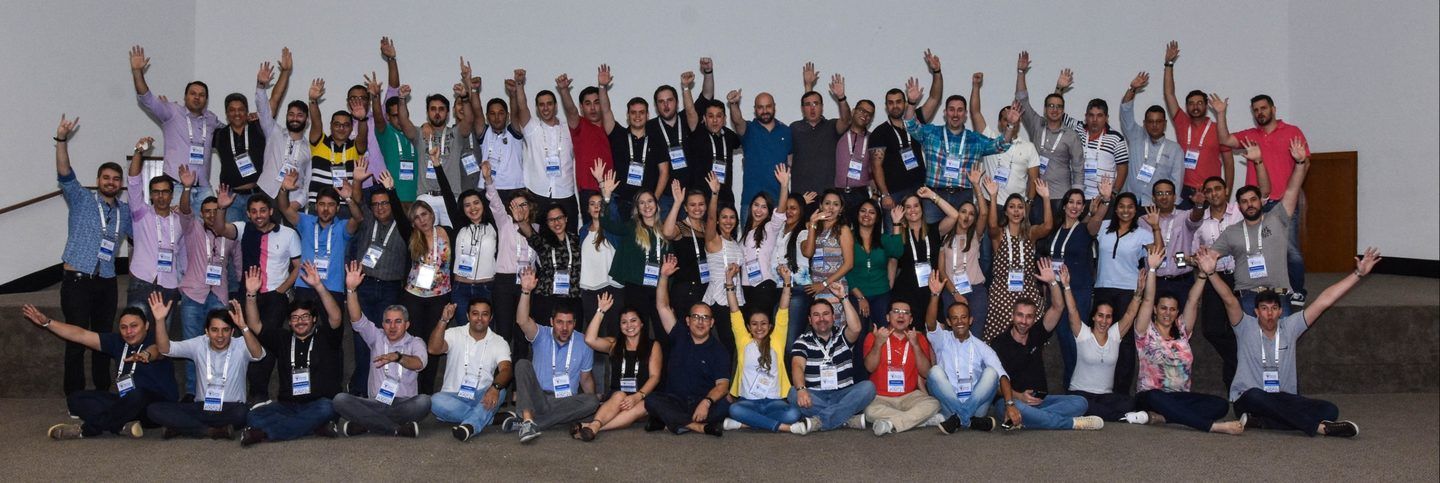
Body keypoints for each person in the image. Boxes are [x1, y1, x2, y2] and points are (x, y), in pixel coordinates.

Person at [1211, 248, 1380, 437]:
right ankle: (1318, 427)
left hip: (1283, 398)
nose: (1269, 313)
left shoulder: (1290, 327)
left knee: (1329, 410)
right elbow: (1229, 300)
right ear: (1256, 312)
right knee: (1255, 395)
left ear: (1280, 312)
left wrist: (1358, 274)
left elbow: (1324, 301)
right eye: (1264, 309)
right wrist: (1211, 272)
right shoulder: (1245, 327)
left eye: (1274, 308)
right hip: (1250, 399)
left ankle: (1261, 422)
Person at [1123, 248, 1247, 435]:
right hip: (1150, 396)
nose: (1167, 313)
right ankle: (1213, 427)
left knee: (1220, 405)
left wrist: (1203, 274)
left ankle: (1162, 417)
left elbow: (1192, 300)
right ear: (1156, 310)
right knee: (1157, 399)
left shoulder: (1182, 330)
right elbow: (1148, 299)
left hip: (1180, 397)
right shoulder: (1145, 330)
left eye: (1172, 310)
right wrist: (1152, 270)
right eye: (1163, 308)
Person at [52, 115, 131, 399]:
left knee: (103, 339)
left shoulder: (125, 212)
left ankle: (101, 391)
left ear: (121, 184)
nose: (111, 182)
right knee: (74, 339)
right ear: (98, 181)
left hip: (107, 282)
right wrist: (61, 139)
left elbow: (143, 238)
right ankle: (74, 396)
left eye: (116, 179)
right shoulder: (81, 199)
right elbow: (64, 172)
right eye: (106, 178)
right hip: (77, 280)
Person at [1211, 93, 1310, 308]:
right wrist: (1220, 114)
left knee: (1290, 249)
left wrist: (1295, 184)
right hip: (1256, 203)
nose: (1260, 113)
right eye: (1255, 110)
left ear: (1273, 109)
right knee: (1254, 247)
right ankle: (1259, 288)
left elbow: (1305, 162)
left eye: (1263, 108)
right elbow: (1225, 140)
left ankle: (1296, 291)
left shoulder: (1292, 132)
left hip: (1284, 203)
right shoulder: (1250, 135)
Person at [24, 304, 175, 440]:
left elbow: (158, 351)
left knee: (138, 395)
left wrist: (146, 355)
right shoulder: (117, 342)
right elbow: (80, 335)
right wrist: (47, 322)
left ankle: (86, 430)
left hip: (155, 408)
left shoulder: (156, 341)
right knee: (76, 398)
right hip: (127, 402)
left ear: (146, 325)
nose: (129, 332)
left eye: (134, 326)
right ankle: (120, 425)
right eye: (124, 327)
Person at [211, 189, 301, 402]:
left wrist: (282, 290)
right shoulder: (243, 229)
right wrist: (222, 207)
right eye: (254, 211)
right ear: (248, 214)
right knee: (246, 343)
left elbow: (297, 267)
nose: (258, 215)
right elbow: (219, 228)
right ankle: (246, 393)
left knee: (267, 343)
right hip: (247, 296)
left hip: (274, 298)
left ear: (271, 211)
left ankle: (258, 394)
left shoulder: (288, 234)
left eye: (263, 210)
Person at [240, 264, 346, 446]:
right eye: (295, 318)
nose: (300, 322)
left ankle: (265, 433)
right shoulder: (283, 338)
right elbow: (255, 325)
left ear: (314, 319)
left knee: (328, 408)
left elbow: (336, 317)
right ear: (289, 322)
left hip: (319, 403)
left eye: (305, 317)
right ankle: (314, 427)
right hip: (287, 406)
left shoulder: (325, 336)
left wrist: (319, 286)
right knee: (253, 415)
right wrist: (251, 295)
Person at [991, 263, 1103, 431]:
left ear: (1034, 318)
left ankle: (1028, 420)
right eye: (1020, 315)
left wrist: (1052, 282)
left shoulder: (1037, 332)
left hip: (1043, 401)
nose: (1024, 321)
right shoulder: (999, 343)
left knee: (1080, 402)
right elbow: (995, 385)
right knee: (1008, 407)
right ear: (1013, 316)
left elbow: (1058, 306)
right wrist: (1018, 396)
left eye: (1029, 317)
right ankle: (1070, 423)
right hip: (1013, 401)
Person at [902, 76, 1021, 224]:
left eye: (960, 110)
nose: (955, 114)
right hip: (933, 195)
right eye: (951, 110)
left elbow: (1001, 145)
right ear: (945, 112)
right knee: (932, 238)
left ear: (965, 114)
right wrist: (912, 103)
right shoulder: (931, 133)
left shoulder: (975, 139)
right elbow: (910, 125)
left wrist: (1010, 125)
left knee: (961, 240)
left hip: (963, 197)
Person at [334, 262, 431, 438]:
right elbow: (357, 319)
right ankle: (396, 429)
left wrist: (398, 357)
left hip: (404, 404)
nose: (392, 326)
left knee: (424, 402)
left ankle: (368, 424)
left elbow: (419, 363)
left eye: (398, 321)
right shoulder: (376, 336)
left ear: (407, 324)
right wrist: (351, 289)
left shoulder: (416, 342)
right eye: (388, 321)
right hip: (376, 402)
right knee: (340, 400)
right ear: (382, 324)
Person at [147, 294, 265, 439]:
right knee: (154, 409)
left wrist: (244, 327)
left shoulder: (240, 344)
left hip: (231, 408)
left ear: (232, 332)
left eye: (225, 330)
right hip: (202, 407)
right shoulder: (199, 344)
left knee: (242, 413)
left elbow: (259, 354)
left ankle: (183, 427)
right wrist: (159, 320)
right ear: (206, 332)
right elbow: (165, 349)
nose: (220, 335)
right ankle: (211, 431)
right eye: (214, 330)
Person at [503, 269, 601, 442]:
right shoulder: (541, 334)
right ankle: (529, 417)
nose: (564, 328)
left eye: (569, 323)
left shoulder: (584, 342)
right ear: (551, 322)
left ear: (575, 324)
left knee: (592, 401)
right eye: (560, 322)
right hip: (539, 396)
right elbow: (522, 320)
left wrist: (590, 410)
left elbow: (586, 380)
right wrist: (526, 291)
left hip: (565, 401)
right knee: (522, 364)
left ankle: (528, 421)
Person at [399, 147, 464, 393]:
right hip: (413, 297)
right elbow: (398, 215)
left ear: (432, 214)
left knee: (433, 342)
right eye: (416, 217)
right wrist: (392, 192)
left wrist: (437, 166)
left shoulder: (449, 231)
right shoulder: (412, 237)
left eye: (424, 214)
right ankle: (410, 390)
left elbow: (450, 199)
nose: (422, 220)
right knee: (414, 342)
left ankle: (426, 392)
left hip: (440, 297)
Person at [1086, 176, 1159, 393]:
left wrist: (1156, 228)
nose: (1125, 210)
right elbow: (1089, 230)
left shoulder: (1142, 233)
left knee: (1125, 343)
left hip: (1128, 292)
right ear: (1116, 209)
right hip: (1102, 289)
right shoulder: (1105, 226)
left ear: (1135, 211)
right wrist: (1104, 201)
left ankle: (1120, 393)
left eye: (1130, 207)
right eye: (1121, 206)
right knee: (1099, 339)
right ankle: (1096, 388)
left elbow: (1157, 253)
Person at [647, 256, 733, 436]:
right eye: (696, 317)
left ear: (712, 323)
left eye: (705, 318)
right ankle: (697, 426)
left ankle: (674, 422)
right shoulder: (679, 334)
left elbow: (722, 385)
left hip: (702, 401)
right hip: (675, 400)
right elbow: (662, 306)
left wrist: (707, 402)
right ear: (687, 320)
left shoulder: (719, 351)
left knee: (726, 403)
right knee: (652, 400)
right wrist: (663, 277)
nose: (700, 322)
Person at [721, 265, 808, 435]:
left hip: (774, 402)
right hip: (748, 401)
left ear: (770, 326)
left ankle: (747, 423)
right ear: (748, 327)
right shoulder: (744, 341)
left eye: (763, 324)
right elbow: (735, 311)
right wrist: (729, 282)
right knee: (735, 410)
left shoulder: (776, 340)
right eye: (754, 324)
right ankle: (782, 427)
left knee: (794, 413)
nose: (759, 328)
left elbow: (783, 310)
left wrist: (787, 282)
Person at [129, 45, 218, 208]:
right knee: (175, 231)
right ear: (185, 97)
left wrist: (250, 118)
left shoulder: (211, 119)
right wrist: (137, 72)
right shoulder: (172, 112)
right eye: (193, 94)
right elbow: (147, 99)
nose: (197, 98)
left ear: (206, 99)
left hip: (204, 187)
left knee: (209, 230)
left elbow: (233, 130)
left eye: (202, 95)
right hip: (177, 185)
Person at [349, 170, 411, 396]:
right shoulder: (366, 220)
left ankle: (382, 389)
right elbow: (356, 203)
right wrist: (357, 181)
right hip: (364, 286)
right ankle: (358, 390)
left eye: (384, 203)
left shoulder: (404, 225)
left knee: (386, 340)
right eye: (375, 204)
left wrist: (392, 189)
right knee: (361, 341)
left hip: (390, 289)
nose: (380, 208)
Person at [920, 275, 1006, 433]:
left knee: (992, 373)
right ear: (948, 322)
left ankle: (960, 418)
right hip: (948, 403)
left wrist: (1011, 404)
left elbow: (1002, 376)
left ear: (971, 320)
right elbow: (930, 324)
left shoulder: (982, 347)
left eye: (964, 317)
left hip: (977, 407)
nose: (960, 321)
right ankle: (970, 421)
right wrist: (935, 295)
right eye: (955, 318)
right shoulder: (942, 340)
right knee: (934, 372)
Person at [788, 280, 876, 432]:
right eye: (816, 315)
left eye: (826, 314)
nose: (821, 318)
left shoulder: (842, 335)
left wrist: (844, 298)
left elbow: (856, 328)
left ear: (833, 317)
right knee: (793, 393)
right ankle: (845, 419)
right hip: (816, 395)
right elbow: (797, 366)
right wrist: (802, 389)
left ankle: (822, 420)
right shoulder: (803, 341)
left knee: (868, 388)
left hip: (844, 394)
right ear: (810, 320)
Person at [174, 193, 239, 400]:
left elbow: (238, 266)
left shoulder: (231, 235)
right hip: (193, 294)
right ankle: (193, 391)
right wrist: (186, 187)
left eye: (215, 210)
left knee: (219, 345)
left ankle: (218, 388)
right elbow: (184, 209)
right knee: (193, 345)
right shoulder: (192, 228)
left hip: (219, 296)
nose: (211, 215)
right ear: (201, 214)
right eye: (207, 211)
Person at [1059, 261, 1141, 421]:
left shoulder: (1115, 335)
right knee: (1080, 405)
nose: (1104, 320)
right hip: (1080, 394)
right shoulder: (1083, 333)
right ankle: (1120, 417)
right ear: (1094, 317)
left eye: (1108, 316)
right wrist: (1066, 286)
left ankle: (1105, 415)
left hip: (1105, 397)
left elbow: (1130, 314)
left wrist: (1139, 292)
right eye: (1100, 315)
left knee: (1130, 402)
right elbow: (1073, 310)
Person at [575, 292, 662, 441]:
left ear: (641, 323)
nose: (629, 326)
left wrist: (637, 396)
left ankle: (592, 426)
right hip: (616, 399)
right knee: (619, 395)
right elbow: (589, 339)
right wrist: (600, 311)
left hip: (641, 397)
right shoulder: (614, 345)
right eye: (624, 322)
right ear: (620, 326)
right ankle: (593, 427)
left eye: (633, 320)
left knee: (643, 406)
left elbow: (655, 377)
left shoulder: (653, 346)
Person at [1014, 51, 1085, 224]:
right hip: (1037, 195)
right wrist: (1021, 73)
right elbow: (1022, 101)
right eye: (1050, 106)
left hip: (1061, 197)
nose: (1054, 110)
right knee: (1038, 239)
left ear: (1063, 111)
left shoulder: (1071, 136)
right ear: (1045, 109)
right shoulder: (1037, 125)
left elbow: (1078, 168)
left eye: (1058, 107)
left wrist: (1075, 198)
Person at [1188, 175, 1244, 389]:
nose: (1213, 193)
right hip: (1214, 278)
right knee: (1211, 329)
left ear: (1226, 190)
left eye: (1217, 189)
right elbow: (1193, 255)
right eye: (1209, 190)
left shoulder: (1239, 212)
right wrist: (1195, 259)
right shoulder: (1200, 220)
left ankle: (1233, 381)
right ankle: (1240, 361)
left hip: (1239, 277)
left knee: (1237, 329)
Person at [980, 177, 1053, 341]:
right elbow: (991, 226)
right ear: (1005, 211)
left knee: (1035, 319)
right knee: (1006, 317)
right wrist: (993, 197)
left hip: (1027, 288)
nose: (1016, 211)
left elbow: (1048, 226)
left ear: (1025, 211)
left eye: (1020, 207)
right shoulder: (999, 234)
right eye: (1012, 207)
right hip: (1002, 289)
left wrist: (1046, 198)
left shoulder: (1030, 233)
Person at [429, 299, 513, 442]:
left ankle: (470, 426)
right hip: (452, 396)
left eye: (485, 314)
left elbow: (506, 369)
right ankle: (488, 418)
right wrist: (444, 320)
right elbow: (433, 349)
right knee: (435, 401)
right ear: (468, 316)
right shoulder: (454, 333)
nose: (479, 318)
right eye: (475, 314)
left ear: (491, 318)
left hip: (483, 395)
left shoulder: (499, 341)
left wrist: (495, 387)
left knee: (501, 391)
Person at [598, 166, 667, 339]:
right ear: (637, 208)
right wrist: (606, 197)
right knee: (637, 332)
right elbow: (607, 224)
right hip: (636, 288)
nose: (646, 205)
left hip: (659, 287)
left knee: (662, 331)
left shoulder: (666, 230)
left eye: (650, 201)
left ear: (656, 204)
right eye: (642, 203)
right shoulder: (631, 227)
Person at [124, 137, 185, 327]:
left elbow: (183, 255)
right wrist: (138, 152)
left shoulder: (181, 221)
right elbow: (133, 182)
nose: (161, 196)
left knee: (162, 338)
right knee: (134, 333)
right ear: (150, 194)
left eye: (165, 191)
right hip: (142, 281)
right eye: (156, 192)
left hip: (169, 286)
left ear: (171, 194)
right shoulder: (141, 214)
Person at [1161, 41, 1232, 203]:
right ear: (1186, 107)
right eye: (1191, 103)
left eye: (1200, 103)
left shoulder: (1217, 129)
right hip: (1184, 190)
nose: (1195, 106)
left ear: (1207, 106)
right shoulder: (1182, 122)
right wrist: (1168, 64)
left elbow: (1229, 162)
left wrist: (1227, 191)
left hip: (1211, 191)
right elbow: (1169, 94)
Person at [861, 299, 942, 436]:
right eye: (896, 312)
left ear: (910, 320)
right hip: (880, 397)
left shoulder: (918, 338)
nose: (901, 316)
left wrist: (915, 345)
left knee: (934, 404)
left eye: (905, 313)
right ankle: (918, 420)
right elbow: (869, 367)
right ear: (888, 317)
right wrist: (878, 343)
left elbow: (926, 372)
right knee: (869, 411)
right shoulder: (875, 336)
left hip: (909, 396)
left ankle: (891, 423)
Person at [511, 69, 578, 232]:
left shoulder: (568, 128)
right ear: (537, 108)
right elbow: (522, 107)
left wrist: (564, 91)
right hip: (538, 194)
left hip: (565, 193)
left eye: (549, 104)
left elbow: (573, 111)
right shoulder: (532, 128)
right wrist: (519, 84)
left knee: (570, 240)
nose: (545, 108)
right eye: (541, 104)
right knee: (538, 242)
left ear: (555, 106)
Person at [1040, 188, 1095, 387]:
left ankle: (1079, 388)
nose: (1074, 206)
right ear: (1064, 205)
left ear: (1083, 208)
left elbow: (1096, 221)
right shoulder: (1055, 230)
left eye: (1079, 203)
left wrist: (1105, 201)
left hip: (1078, 291)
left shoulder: (1085, 229)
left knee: (1076, 340)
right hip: (1056, 292)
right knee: (1064, 340)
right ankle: (1070, 386)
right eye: (1071, 202)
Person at [883, 189, 958, 332]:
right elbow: (894, 255)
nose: (913, 210)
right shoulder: (900, 233)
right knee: (911, 337)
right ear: (903, 211)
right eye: (908, 207)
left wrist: (932, 196)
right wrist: (897, 224)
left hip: (932, 290)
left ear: (922, 209)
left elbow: (955, 215)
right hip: (907, 291)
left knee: (936, 334)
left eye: (916, 205)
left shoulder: (934, 230)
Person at [485, 162, 539, 360]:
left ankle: (518, 387)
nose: (519, 209)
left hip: (526, 283)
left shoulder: (538, 229)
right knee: (504, 333)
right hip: (505, 281)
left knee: (522, 333)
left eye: (523, 204)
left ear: (530, 206)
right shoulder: (505, 223)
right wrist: (489, 179)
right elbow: (495, 202)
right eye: (515, 205)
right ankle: (501, 379)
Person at [646, 60, 713, 209]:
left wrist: (707, 72)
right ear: (656, 106)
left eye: (669, 100)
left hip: (692, 195)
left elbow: (707, 95)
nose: (666, 105)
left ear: (677, 102)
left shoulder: (688, 118)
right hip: (665, 198)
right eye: (661, 102)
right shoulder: (649, 127)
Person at [970, 73, 1039, 206]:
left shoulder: (1029, 147)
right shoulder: (989, 140)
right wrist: (976, 86)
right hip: (989, 203)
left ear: (1018, 122)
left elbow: (1033, 179)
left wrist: (1029, 204)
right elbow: (975, 112)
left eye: (1014, 119)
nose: (1010, 122)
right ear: (999, 123)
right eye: (1006, 119)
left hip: (1016, 208)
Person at [304, 77, 368, 214]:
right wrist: (313, 101)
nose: (341, 128)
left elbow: (363, 136)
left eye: (346, 125)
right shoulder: (319, 143)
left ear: (351, 128)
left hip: (345, 206)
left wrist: (362, 119)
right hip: (317, 206)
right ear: (331, 126)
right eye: (337, 124)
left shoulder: (355, 147)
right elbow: (316, 122)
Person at [256, 49, 309, 213]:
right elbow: (264, 106)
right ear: (286, 116)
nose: (295, 118)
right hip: (266, 194)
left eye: (300, 115)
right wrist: (261, 85)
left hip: (291, 202)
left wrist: (298, 203)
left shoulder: (309, 149)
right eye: (291, 114)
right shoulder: (274, 132)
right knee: (263, 239)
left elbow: (308, 181)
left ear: (307, 120)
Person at [1119, 72, 1184, 207]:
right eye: (1150, 121)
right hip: (1130, 204)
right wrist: (1132, 89)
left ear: (1165, 124)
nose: (1154, 125)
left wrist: (1172, 210)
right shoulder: (1135, 135)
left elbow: (1176, 182)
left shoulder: (1174, 149)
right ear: (1144, 123)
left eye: (1158, 121)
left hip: (1156, 207)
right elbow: (1125, 110)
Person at [736, 166, 792, 318]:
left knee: (762, 329)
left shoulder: (769, 228)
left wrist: (784, 185)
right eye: (756, 205)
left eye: (764, 207)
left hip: (764, 286)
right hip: (745, 288)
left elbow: (780, 212)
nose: (759, 210)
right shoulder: (744, 233)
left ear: (768, 211)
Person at [938, 174, 990, 334]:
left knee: (976, 334)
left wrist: (976, 186)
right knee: (954, 335)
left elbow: (984, 214)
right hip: (951, 290)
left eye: (971, 214)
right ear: (957, 213)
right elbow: (941, 270)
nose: (967, 216)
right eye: (963, 212)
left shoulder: (976, 235)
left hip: (976, 290)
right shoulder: (945, 235)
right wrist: (955, 293)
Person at [793, 61, 853, 197]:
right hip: (801, 196)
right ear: (802, 108)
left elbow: (846, 120)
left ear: (822, 106)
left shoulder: (831, 126)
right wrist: (808, 86)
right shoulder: (794, 128)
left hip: (828, 196)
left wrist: (841, 98)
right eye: (808, 105)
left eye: (816, 104)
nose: (812, 107)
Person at [726, 86, 793, 207]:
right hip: (751, 202)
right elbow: (737, 120)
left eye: (768, 106)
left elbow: (790, 162)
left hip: (779, 202)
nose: (765, 111)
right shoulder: (748, 129)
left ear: (774, 107)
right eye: (760, 107)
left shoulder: (786, 131)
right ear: (755, 109)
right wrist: (734, 104)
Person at [606, 93, 668, 219]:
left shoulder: (657, 140)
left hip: (646, 206)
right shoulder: (618, 136)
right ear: (628, 115)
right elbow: (606, 110)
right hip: (620, 202)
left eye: (641, 112)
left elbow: (664, 172)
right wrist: (602, 87)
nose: (637, 116)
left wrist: (653, 200)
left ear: (648, 115)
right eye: (633, 112)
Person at [560, 66, 614, 205]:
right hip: (588, 190)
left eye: (597, 103)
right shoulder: (579, 125)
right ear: (582, 107)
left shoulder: (610, 126)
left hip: (610, 187)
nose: (593, 108)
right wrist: (564, 90)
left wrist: (602, 86)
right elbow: (571, 110)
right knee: (591, 227)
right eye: (588, 104)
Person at [802, 190, 855, 323]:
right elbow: (808, 253)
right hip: (816, 287)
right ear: (821, 206)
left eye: (836, 204)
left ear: (841, 209)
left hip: (836, 287)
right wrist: (813, 224)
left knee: (836, 328)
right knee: (820, 326)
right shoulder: (813, 227)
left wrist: (825, 284)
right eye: (827, 203)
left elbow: (849, 264)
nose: (831, 208)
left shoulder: (843, 229)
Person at [846, 198, 892, 330]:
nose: (867, 215)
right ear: (857, 214)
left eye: (872, 212)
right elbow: (846, 269)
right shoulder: (848, 237)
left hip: (882, 293)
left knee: (884, 333)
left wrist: (896, 224)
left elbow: (897, 252)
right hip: (856, 293)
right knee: (859, 336)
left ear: (877, 218)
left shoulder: (883, 239)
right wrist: (860, 297)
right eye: (863, 211)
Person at [834, 99, 875, 212]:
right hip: (839, 194)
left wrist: (875, 195)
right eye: (861, 110)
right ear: (853, 111)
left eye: (869, 113)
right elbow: (844, 115)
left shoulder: (873, 139)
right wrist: (841, 98)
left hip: (860, 194)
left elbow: (874, 170)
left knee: (860, 229)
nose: (865, 115)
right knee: (840, 229)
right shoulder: (839, 133)